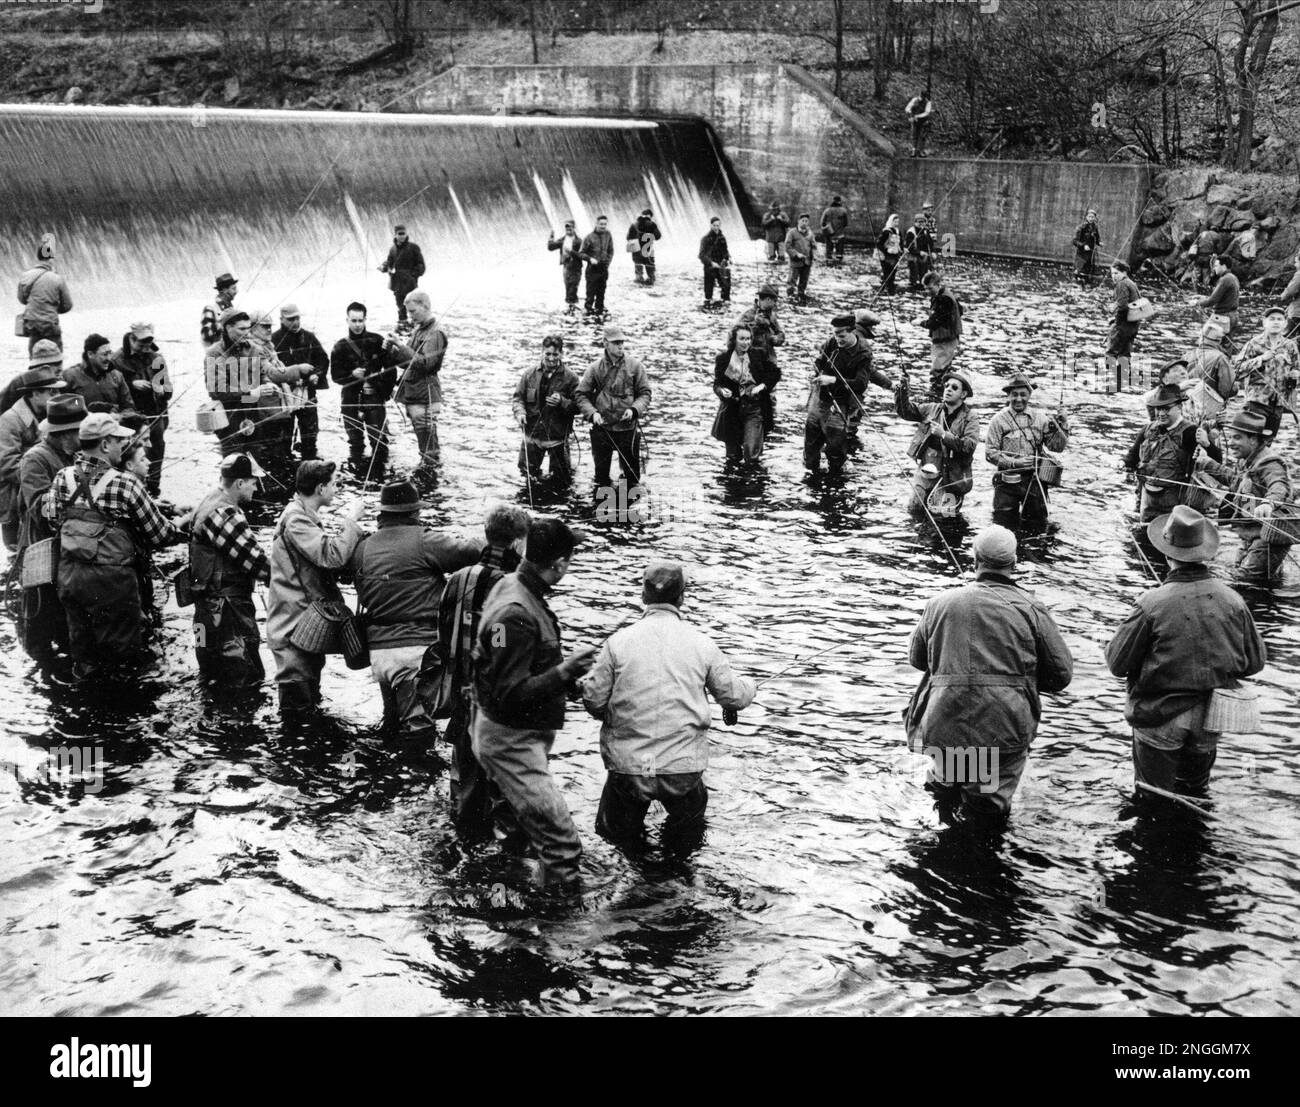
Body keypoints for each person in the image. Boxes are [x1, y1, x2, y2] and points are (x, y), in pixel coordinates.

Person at [904, 525, 1074, 822]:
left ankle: (941, 854)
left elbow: (918, 660)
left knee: (948, 793)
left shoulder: (940, 603)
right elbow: (1061, 676)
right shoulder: (1032, 608)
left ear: (974, 561)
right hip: (1002, 727)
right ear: (1014, 564)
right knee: (986, 810)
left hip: (949, 721)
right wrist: (1024, 678)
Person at [581, 560, 756, 847]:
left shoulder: (617, 643)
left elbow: (593, 701)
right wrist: (751, 686)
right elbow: (733, 696)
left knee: (617, 840)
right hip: (682, 769)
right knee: (685, 843)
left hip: (630, 767)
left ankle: (634, 872)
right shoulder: (703, 644)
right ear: (682, 597)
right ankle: (674, 877)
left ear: (643, 596)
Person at [1105, 506, 1266, 805]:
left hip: (1161, 717)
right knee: (1195, 796)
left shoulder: (1151, 603)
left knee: (1153, 801)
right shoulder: (1234, 600)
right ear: (1204, 551)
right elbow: (1255, 662)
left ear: (1167, 554)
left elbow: (1117, 663)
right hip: (1211, 718)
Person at [471, 518, 596, 892]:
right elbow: (511, 692)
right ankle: (561, 930)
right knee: (561, 842)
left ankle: (516, 900)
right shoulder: (517, 613)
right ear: (558, 564)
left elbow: (502, 663)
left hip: (501, 733)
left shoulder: (509, 586)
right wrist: (566, 672)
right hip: (512, 742)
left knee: (522, 833)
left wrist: (565, 681)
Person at [43, 413, 186, 679]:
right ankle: (123, 710)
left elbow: (51, 519)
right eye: (119, 440)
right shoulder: (126, 483)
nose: (124, 444)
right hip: (112, 584)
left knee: (84, 652)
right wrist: (182, 525)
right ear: (105, 445)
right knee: (122, 657)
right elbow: (160, 535)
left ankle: (84, 701)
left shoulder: (62, 477)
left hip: (70, 576)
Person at [351, 479, 481, 740]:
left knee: (392, 721)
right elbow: (473, 551)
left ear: (382, 513)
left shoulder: (363, 548)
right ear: (414, 513)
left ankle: (387, 776)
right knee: (418, 729)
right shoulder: (424, 541)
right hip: (416, 652)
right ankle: (416, 776)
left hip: (379, 652)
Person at [436, 503, 530, 837]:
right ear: (518, 543)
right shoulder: (517, 588)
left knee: (465, 786)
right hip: (501, 708)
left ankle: (463, 849)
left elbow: (443, 639)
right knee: (507, 796)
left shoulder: (458, 579)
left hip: (463, 698)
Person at [266, 460, 365, 715]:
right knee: (297, 710)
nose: (336, 489)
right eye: (334, 484)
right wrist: (352, 520)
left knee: (307, 705)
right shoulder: (297, 520)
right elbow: (332, 556)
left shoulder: (301, 515)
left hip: (301, 626)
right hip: (292, 629)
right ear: (321, 488)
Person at [188, 453, 270, 691]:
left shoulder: (207, 502)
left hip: (203, 610)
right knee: (244, 676)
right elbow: (258, 565)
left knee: (207, 669)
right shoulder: (225, 514)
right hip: (228, 612)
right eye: (254, 482)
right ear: (240, 483)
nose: (256, 488)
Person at [15, 393, 87, 662]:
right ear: (64, 433)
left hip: (67, 550)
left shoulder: (74, 454)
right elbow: (39, 508)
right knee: (39, 620)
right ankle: (42, 669)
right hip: (42, 552)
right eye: (80, 430)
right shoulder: (35, 459)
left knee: (66, 618)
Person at [1197, 409, 1296, 586]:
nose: (1232, 443)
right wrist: (1208, 464)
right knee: (1246, 579)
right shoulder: (1246, 459)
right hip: (1249, 534)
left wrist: (1268, 503)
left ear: (1253, 439)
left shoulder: (1270, 462)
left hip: (1267, 539)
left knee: (1243, 582)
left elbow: (1279, 485)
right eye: (1232, 437)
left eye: (1237, 438)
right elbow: (1234, 480)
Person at [204, 308, 301, 465]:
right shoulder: (214, 353)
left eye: (249, 328)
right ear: (228, 328)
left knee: (255, 462)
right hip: (228, 417)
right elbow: (216, 391)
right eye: (242, 329)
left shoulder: (254, 349)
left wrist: (268, 384)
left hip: (253, 415)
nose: (247, 333)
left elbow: (260, 375)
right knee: (233, 464)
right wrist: (252, 391)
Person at [804, 313, 892, 477]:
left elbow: (860, 384)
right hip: (820, 396)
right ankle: (812, 472)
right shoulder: (833, 340)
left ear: (853, 331)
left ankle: (835, 477)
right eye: (835, 334)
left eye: (842, 336)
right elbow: (820, 361)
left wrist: (833, 380)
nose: (838, 339)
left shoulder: (863, 353)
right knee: (811, 440)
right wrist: (814, 371)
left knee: (835, 447)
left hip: (842, 402)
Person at [1124, 383, 1220, 524]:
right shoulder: (1147, 429)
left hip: (1176, 505)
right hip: (1147, 501)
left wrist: (1208, 445)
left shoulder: (1190, 432)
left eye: (1166, 408)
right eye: (1158, 409)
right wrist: (1126, 465)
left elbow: (1217, 464)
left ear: (1179, 407)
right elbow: (1132, 457)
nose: (1161, 414)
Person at [986, 373, 1069, 529]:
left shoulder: (1041, 419)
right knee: (1002, 525)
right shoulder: (997, 420)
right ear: (1008, 395)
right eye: (1014, 394)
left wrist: (1062, 425)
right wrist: (1014, 462)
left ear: (1029, 395)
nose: (1019, 399)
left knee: (1036, 526)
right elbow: (990, 453)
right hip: (1005, 482)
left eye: (1023, 394)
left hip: (1034, 481)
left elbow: (1056, 447)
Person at [576, 324, 652, 491]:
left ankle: (627, 512)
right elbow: (581, 395)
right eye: (615, 342)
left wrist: (634, 410)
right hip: (602, 429)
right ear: (605, 343)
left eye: (621, 342)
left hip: (627, 429)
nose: (620, 346)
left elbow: (645, 394)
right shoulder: (595, 368)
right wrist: (592, 413)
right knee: (601, 478)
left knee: (632, 480)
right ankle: (603, 513)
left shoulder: (635, 366)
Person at [329, 302, 401, 474]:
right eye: (353, 320)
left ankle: (379, 478)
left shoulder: (377, 341)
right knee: (355, 442)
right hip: (350, 400)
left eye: (360, 320)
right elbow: (335, 377)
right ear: (347, 320)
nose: (357, 324)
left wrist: (383, 392)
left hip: (374, 399)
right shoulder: (340, 347)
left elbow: (391, 371)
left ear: (365, 319)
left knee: (379, 443)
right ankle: (356, 477)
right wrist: (352, 375)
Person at [894, 368, 979, 514]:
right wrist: (902, 389)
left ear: (963, 394)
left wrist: (944, 435)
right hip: (926, 470)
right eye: (946, 386)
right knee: (914, 509)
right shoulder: (931, 409)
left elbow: (969, 446)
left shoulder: (971, 418)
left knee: (945, 517)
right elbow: (905, 411)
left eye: (954, 387)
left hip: (952, 477)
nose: (948, 390)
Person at [0, 366, 66, 549]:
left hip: (38, 492)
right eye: (52, 392)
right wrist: (40, 471)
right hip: (14, 501)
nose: (57, 395)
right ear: (35, 393)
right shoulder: (9, 421)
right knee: (18, 547)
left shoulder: (44, 413)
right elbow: (7, 465)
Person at [388, 290, 447, 472]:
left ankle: (431, 480)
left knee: (429, 446)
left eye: (413, 311)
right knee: (424, 442)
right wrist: (392, 350)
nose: (410, 316)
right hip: (416, 394)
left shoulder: (435, 332)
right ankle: (429, 478)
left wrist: (401, 346)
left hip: (426, 394)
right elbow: (407, 363)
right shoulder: (419, 329)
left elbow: (426, 364)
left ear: (425, 306)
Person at [111, 322, 172, 496]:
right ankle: (132, 492)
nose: (145, 348)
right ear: (131, 339)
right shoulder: (117, 360)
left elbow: (168, 389)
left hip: (156, 414)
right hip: (131, 418)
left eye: (148, 343)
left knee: (156, 453)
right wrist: (132, 384)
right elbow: (114, 392)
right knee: (132, 455)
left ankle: (153, 491)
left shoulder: (156, 359)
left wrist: (162, 390)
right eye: (141, 343)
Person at [712, 323, 781, 464]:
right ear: (734, 340)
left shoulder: (759, 354)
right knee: (732, 456)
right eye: (742, 339)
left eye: (749, 339)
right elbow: (717, 384)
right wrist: (721, 391)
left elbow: (775, 373)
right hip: (731, 409)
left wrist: (762, 386)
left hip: (754, 408)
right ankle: (734, 484)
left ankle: (753, 482)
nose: (746, 342)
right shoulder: (723, 359)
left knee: (751, 453)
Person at [514, 334, 579, 483]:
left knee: (561, 481)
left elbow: (579, 406)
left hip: (557, 438)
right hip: (532, 437)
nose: (551, 358)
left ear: (561, 354)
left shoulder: (571, 378)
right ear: (542, 352)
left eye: (555, 354)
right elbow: (518, 399)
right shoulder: (529, 375)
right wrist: (520, 413)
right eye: (548, 354)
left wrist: (562, 402)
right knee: (527, 476)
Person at [272, 304, 330, 461]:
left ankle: (309, 466)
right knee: (283, 441)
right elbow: (270, 371)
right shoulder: (273, 340)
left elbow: (323, 360)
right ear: (281, 320)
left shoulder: (309, 337)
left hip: (308, 392)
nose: (296, 322)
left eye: (298, 318)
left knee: (310, 437)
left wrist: (317, 375)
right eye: (291, 319)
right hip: (284, 396)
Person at [1233, 306, 1299, 416]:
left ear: (1285, 324)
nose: (1276, 322)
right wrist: (1261, 359)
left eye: (1279, 319)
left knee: (1271, 434)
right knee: (1253, 433)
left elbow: (1297, 368)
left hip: (1280, 403)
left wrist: (1296, 374)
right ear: (1264, 323)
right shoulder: (1253, 344)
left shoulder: (1290, 345)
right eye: (1272, 319)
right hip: (1256, 402)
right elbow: (1237, 370)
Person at [16, 233, 72, 355]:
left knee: (34, 358)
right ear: (51, 258)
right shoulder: (57, 279)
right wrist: (52, 307)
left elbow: (21, 299)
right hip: (50, 325)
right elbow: (68, 305)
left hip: (32, 325)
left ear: (38, 257)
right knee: (55, 359)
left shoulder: (25, 276)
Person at [63, 334, 134, 415]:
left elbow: (128, 407)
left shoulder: (117, 376)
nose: (109, 358)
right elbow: (66, 406)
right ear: (90, 354)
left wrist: (120, 416)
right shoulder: (70, 376)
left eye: (110, 353)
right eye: (104, 354)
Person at [921, 270, 963, 398]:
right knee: (944, 370)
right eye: (925, 289)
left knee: (937, 371)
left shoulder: (944, 299)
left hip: (945, 341)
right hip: (947, 340)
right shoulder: (946, 295)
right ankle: (941, 396)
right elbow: (960, 310)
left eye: (930, 288)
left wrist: (921, 323)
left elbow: (936, 321)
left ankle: (936, 397)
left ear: (938, 284)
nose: (927, 292)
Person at [378, 224, 426, 331]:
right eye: (399, 234)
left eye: (403, 233)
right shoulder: (392, 249)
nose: (402, 236)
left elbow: (421, 265)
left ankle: (417, 328)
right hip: (397, 284)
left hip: (410, 284)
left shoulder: (413, 248)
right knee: (400, 307)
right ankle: (403, 329)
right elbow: (390, 263)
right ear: (395, 235)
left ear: (406, 234)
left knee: (413, 307)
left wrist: (412, 276)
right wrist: (383, 267)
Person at [1106, 260, 1142, 392]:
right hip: (1133, 325)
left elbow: (1122, 306)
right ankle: (1122, 384)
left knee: (1111, 352)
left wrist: (1115, 320)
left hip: (1123, 325)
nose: (1113, 276)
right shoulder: (1131, 283)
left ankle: (1110, 382)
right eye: (1112, 273)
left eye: (1116, 273)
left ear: (1124, 272)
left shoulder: (1121, 284)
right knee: (1125, 354)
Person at [1183, 320, 1235, 402]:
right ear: (1219, 340)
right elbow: (1227, 391)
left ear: (1201, 337)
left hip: (1187, 401)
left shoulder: (1187, 355)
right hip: (1210, 404)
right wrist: (1236, 385)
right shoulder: (1221, 358)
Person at [1195, 254, 1240, 344]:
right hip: (1233, 317)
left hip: (1222, 318)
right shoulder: (1233, 278)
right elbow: (1221, 298)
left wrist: (1197, 303)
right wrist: (1203, 298)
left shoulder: (1225, 279)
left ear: (1223, 266)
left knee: (1204, 342)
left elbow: (1212, 301)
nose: (1214, 268)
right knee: (1226, 345)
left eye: (1216, 266)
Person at [738, 285, 786, 368]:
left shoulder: (772, 316)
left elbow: (781, 334)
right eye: (774, 301)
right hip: (751, 360)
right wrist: (756, 325)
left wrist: (776, 339)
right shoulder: (748, 315)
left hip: (769, 359)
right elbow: (738, 337)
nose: (775, 304)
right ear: (768, 299)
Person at [580, 214, 614, 316]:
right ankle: (588, 310)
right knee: (590, 292)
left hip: (603, 268)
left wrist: (607, 263)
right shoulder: (589, 237)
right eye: (601, 224)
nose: (603, 226)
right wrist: (590, 259)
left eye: (605, 224)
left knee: (601, 291)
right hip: (592, 269)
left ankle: (600, 309)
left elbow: (611, 251)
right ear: (596, 224)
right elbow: (581, 253)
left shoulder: (608, 235)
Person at [546, 219, 584, 309]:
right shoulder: (563, 240)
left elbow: (583, 255)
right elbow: (551, 247)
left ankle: (572, 308)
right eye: (567, 227)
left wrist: (571, 252)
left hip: (576, 269)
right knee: (568, 288)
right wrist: (551, 237)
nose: (568, 229)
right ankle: (571, 307)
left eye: (570, 227)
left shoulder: (579, 241)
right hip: (566, 268)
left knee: (573, 288)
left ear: (574, 228)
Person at [699, 215, 731, 308]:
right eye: (714, 225)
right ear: (710, 225)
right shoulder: (705, 239)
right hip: (709, 266)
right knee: (708, 292)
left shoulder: (722, 238)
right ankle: (708, 305)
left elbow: (725, 251)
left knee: (726, 286)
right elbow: (701, 255)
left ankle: (725, 304)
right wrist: (711, 263)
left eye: (718, 225)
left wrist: (727, 258)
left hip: (721, 266)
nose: (716, 228)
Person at [785, 213, 815, 304]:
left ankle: (801, 296)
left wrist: (814, 256)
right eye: (803, 221)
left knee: (804, 281)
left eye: (806, 221)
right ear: (798, 221)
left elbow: (814, 246)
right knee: (792, 281)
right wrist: (796, 254)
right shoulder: (792, 232)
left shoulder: (810, 233)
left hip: (807, 262)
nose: (804, 223)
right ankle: (790, 297)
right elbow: (787, 246)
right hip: (795, 262)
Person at [201, 273, 238, 346]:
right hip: (216, 355)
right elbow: (206, 335)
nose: (236, 291)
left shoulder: (230, 308)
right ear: (224, 290)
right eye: (233, 288)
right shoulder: (210, 308)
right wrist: (224, 325)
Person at [626, 208, 662, 285]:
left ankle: (639, 278)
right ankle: (650, 279)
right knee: (649, 264)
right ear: (650, 216)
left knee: (638, 263)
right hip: (647, 247)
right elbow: (658, 236)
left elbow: (628, 237)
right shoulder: (652, 224)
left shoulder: (634, 224)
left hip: (636, 248)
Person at [903, 212, 934, 291]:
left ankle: (922, 287)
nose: (921, 224)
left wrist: (932, 252)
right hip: (913, 256)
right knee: (914, 274)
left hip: (923, 257)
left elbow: (930, 243)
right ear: (915, 222)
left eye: (923, 222)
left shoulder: (925, 231)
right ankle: (912, 288)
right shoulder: (911, 232)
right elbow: (910, 247)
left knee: (923, 273)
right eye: (919, 222)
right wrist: (919, 252)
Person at [1072, 209, 1101, 285]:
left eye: (1093, 217)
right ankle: (1076, 285)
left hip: (1091, 255)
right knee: (1079, 272)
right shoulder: (1081, 227)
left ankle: (1086, 288)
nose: (1091, 219)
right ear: (1086, 217)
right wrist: (1083, 246)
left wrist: (1099, 243)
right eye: (1090, 217)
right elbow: (1074, 241)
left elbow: (1097, 238)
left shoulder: (1095, 227)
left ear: (1095, 218)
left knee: (1088, 272)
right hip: (1081, 255)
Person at [876, 213, 903, 294]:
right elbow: (879, 244)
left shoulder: (898, 232)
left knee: (893, 272)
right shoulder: (886, 231)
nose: (896, 224)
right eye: (895, 222)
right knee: (887, 272)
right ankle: (884, 287)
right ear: (891, 222)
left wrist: (901, 249)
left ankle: (890, 287)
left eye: (898, 222)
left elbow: (901, 242)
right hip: (886, 256)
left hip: (895, 255)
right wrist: (886, 250)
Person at [820, 195, 849, 264]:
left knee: (828, 255)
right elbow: (846, 223)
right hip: (840, 235)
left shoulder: (827, 211)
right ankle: (839, 264)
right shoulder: (843, 211)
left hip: (829, 234)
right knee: (839, 255)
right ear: (840, 202)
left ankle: (829, 262)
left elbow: (822, 223)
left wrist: (828, 229)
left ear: (832, 201)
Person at [905, 89, 933, 157]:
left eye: (923, 96)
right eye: (921, 96)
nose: (922, 98)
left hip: (923, 121)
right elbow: (907, 108)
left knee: (922, 136)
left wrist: (918, 116)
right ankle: (913, 150)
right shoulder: (914, 100)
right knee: (914, 135)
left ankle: (921, 151)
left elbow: (927, 112)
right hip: (914, 120)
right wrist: (911, 114)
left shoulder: (928, 102)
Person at [1279, 251, 1300, 342]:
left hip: (1297, 313)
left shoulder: (1299, 274)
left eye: (1296, 262)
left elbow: (1290, 291)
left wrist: (1282, 296)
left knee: (1285, 339)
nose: (1295, 265)